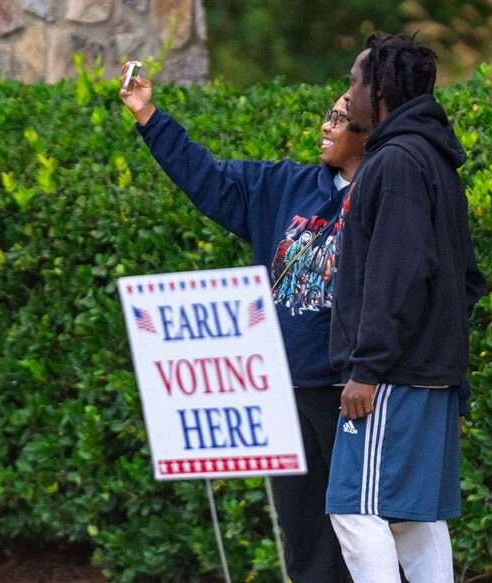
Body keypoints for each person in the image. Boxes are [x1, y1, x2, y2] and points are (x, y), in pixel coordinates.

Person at [119, 64, 363, 582]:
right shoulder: (284, 187)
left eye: (340, 119)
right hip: (284, 390)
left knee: (363, 531)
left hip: (347, 391)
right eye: (328, 116)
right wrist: (149, 116)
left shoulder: (385, 196)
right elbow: (206, 178)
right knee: (302, 534)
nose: (326, 126)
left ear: (368, 130)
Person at [325, 32, 486, 582]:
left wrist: (367, 368)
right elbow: (465, 277)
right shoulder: (437, 161)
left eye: (354, 82)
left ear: (381, 89)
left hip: (390, 376)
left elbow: (397, 275)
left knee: (354, 508)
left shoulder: (393, 162)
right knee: (414, 520)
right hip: (428, 372)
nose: (347, 95)